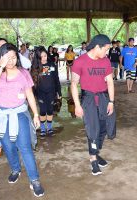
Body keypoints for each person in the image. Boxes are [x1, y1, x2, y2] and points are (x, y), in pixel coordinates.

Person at [0, 43, 44, 197]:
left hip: (19, 114)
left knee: (25, 147)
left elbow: (29, 94)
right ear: (0, 57)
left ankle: (35, 179)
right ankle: (15, 169)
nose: (10, 61)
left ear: (17, 57)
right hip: (1, 115)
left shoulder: (23, 73)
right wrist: (0, 67)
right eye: (7, 57)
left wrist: (36, 115)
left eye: (13, 57)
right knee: (8, 146)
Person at [71, 34, 116, 176]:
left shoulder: (105, 61)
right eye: (106, 49)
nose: (107, 53)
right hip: (88, 99)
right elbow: (73, 84)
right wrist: (77, 106)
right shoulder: (80, 61)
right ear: (97, 47)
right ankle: (93, 160)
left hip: (103, 97)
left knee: (104, 128)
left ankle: (96, 152)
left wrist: (111, 102)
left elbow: (109, 82)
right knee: (93, 130)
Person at [31, 46, 61, 137]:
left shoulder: (52, 65)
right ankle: (43, 129)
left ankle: (49, 128)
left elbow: (56, 79)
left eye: (45, 56)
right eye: (42, 57)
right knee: (43, 111)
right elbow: (32, 83)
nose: (44, 58)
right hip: (40, 93)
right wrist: (33, 94)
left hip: (51, 92)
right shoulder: (35, 67)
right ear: (38, 57)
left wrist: (59, 92)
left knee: (50, 110)